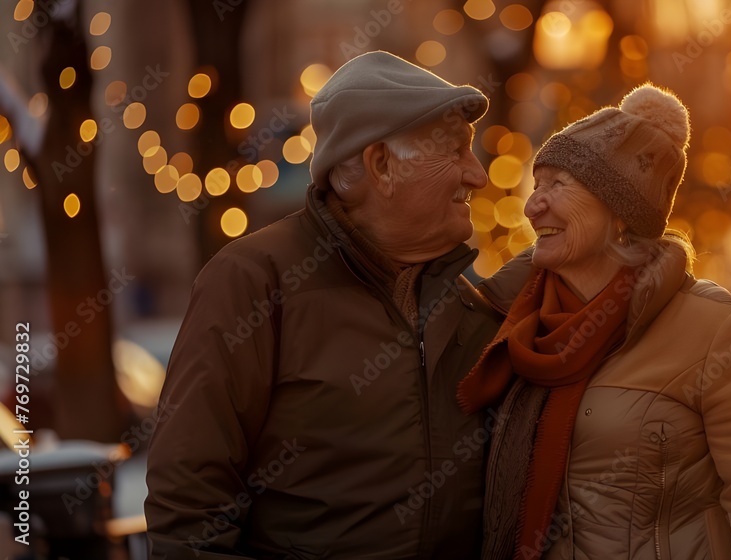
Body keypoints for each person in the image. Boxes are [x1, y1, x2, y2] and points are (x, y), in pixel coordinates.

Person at [145, 51, 503, 559]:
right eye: (455, 152)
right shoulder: (253, 281)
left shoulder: (469, 300)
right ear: (382, 165)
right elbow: (188, 508)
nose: (478, 176)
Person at [459, 84, 731, 559]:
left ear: (621, 213)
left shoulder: (723, 336)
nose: (532, 206)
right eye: (536, 184)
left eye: (558, 186)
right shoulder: (509, 324)